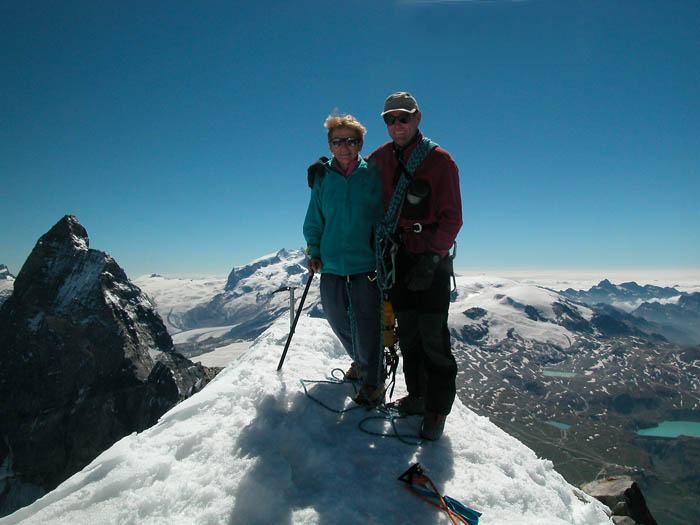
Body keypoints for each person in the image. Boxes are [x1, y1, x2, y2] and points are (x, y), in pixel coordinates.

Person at [367, 92, 463, 440]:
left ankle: (436, 410)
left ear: (417, 118)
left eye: (403, 118)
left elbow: (453, 219)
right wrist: (324, 171)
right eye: (390, 119)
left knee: (433, 337)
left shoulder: (440, 161)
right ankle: (418, 396)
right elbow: (351, 171)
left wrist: (434, 257)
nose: (397, 125)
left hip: (431, 260)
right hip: (397, 256)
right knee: (408, 333)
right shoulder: (380, 158)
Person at [303, 113, 385, 406]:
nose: (345, 147)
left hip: (365, 265)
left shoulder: (372, 174)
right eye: (338, 141)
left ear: (361, 143)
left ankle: (374, 382)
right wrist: (314, 249)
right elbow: (315, 217)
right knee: (338, 319)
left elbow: (382, 215)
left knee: (367, 325)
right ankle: (362, 362)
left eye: (351, 141)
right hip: (332, 265)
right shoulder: (323, 178)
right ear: (330, 144)